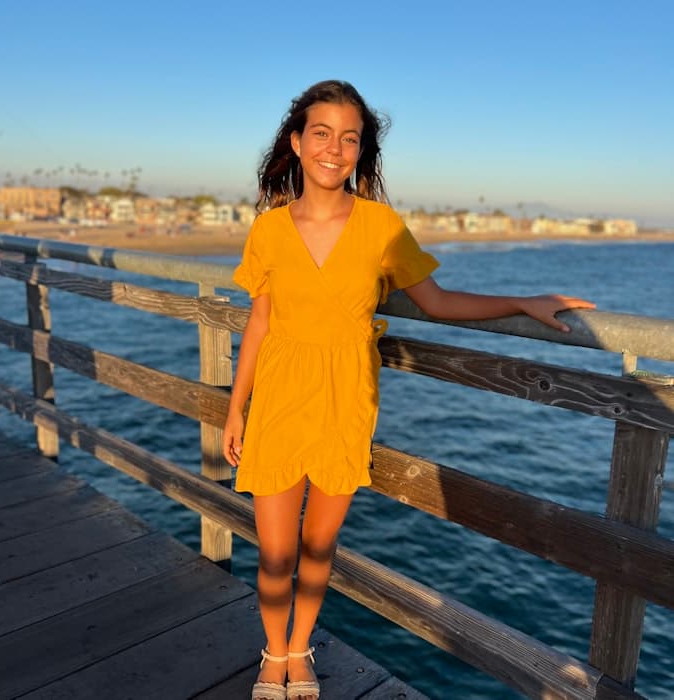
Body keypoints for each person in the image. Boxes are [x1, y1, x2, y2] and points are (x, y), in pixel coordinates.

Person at [222, 80, 595, 700]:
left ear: (360, 152)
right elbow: (259, 321)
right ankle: (271, 655)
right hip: (279, 402)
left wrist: (521, 303)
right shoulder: (267, 229)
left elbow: (438, 301)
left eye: (350, 138)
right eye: (322, 133)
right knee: (275, 552)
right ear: (296, 141)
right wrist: (237, 408)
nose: (334, 149)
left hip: (346, 402)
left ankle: (300, 651)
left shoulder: (381, 227)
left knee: (319, 547)